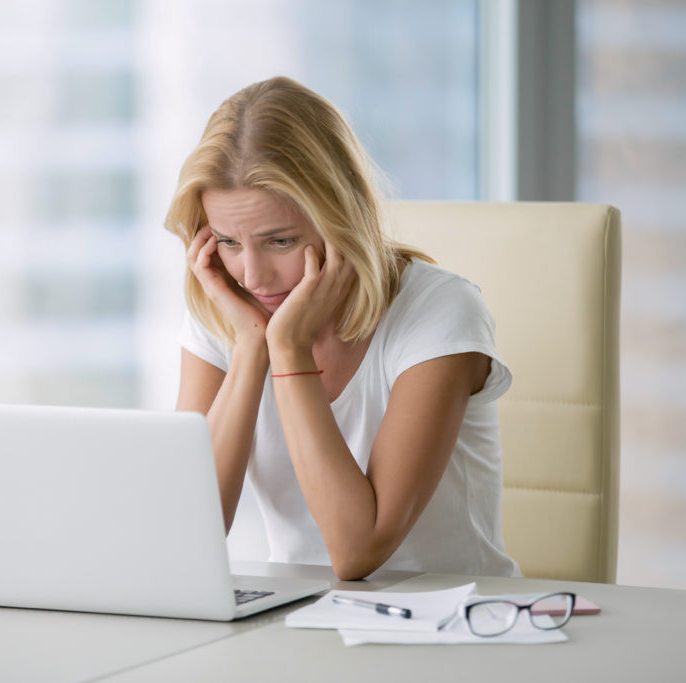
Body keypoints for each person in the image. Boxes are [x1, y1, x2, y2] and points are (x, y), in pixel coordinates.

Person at [165, 76, 520, 580]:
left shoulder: (439, 312)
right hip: (301, 623)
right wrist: (249, 346)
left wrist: (287, 350)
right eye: (227, 241)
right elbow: (185, 531)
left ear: (339, 217)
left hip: (453, 627)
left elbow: (358, 553)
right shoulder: (228, 310)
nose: (252, 275)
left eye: (280, 241)